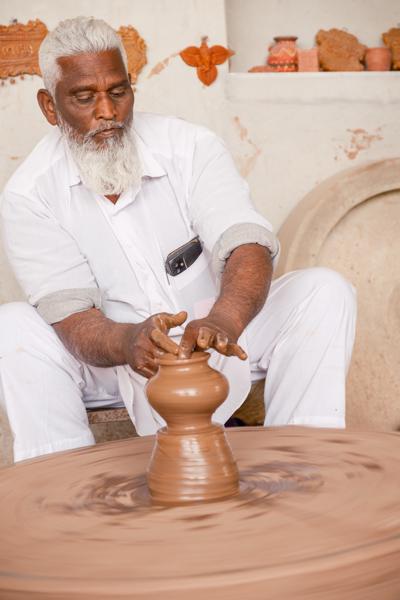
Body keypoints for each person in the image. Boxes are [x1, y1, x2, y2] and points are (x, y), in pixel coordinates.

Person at [0, 17, 356, 462]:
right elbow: (70, 316)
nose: (107, 112)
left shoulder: (188, 146)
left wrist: (225, 320)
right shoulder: (29, 193)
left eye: (118, 91)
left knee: (323, 290)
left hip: (216, 338)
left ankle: (305, 459)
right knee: (11, 326)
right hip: (109, 358)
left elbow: (245, 242)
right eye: (84, 97)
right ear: (50, 107)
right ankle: (59, 481)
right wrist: (129, 342)